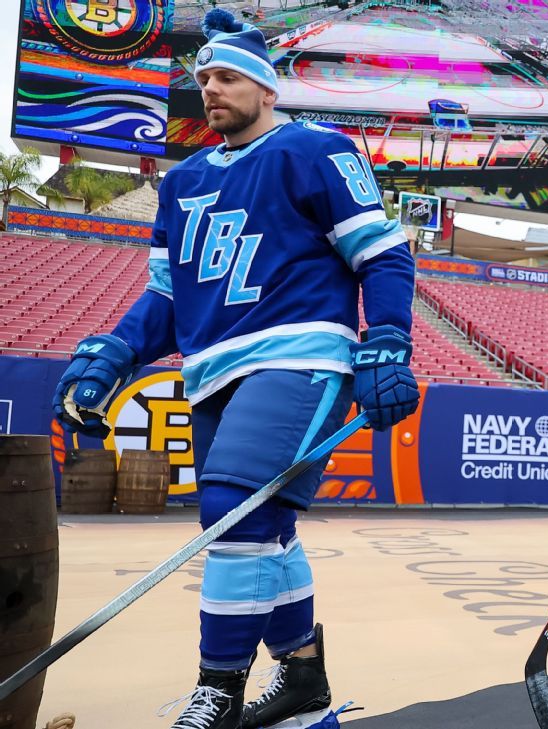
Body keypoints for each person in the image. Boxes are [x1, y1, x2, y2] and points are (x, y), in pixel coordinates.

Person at [51, 10, 419, 728]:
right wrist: (114, 353)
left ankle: (216, 691)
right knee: (266, 527)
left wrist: (389, 340)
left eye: (226, 77)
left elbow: (382, 252)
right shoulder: (182, 180)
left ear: (266, 87)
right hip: (213, 365)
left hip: (300, 353)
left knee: (230, 510)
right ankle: (303, 679)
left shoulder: (316, 150)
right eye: (203, 79)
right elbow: (165, 294)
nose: (210, 89)